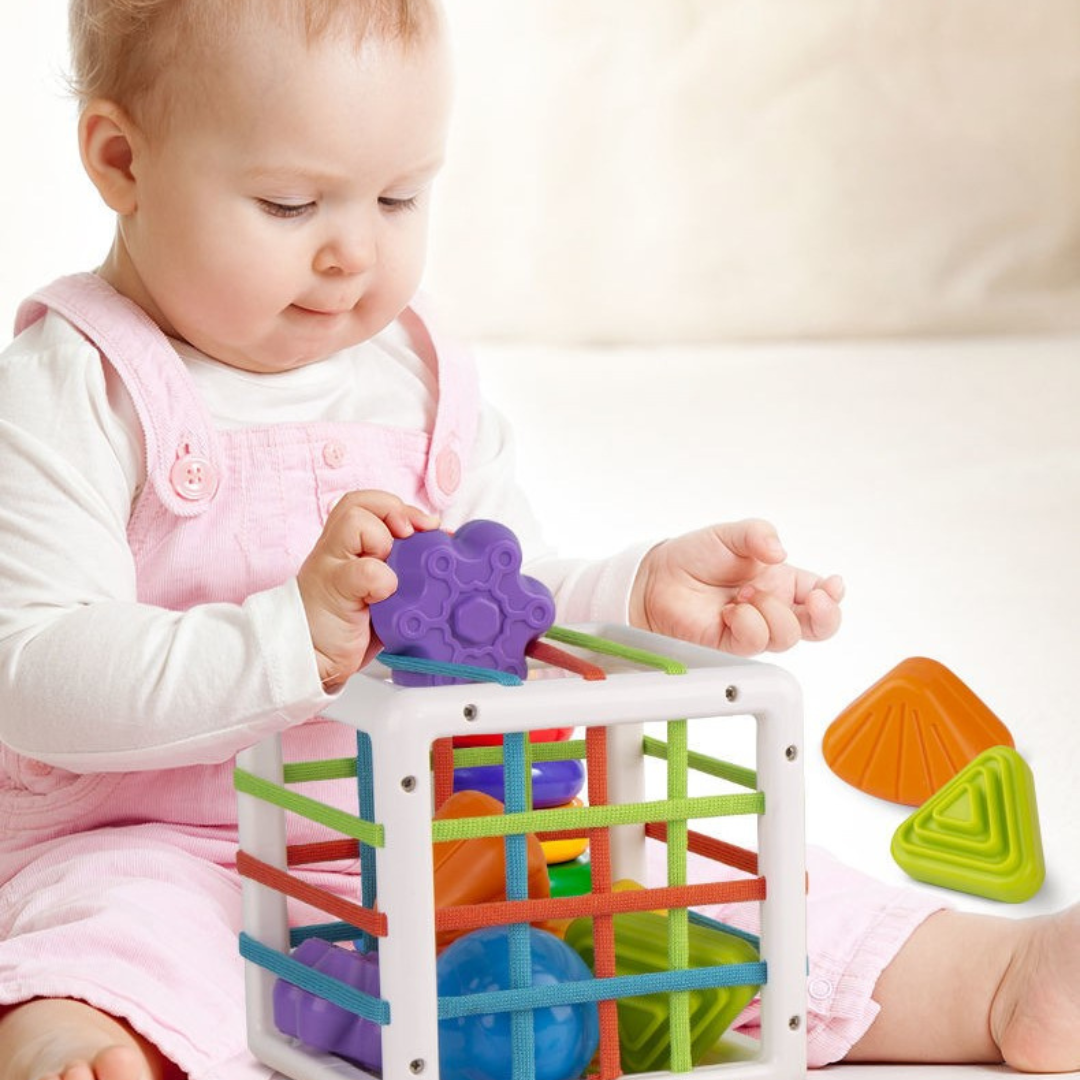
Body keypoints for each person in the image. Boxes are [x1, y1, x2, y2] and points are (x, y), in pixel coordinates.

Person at [0, 2, 1076, 1079]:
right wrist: (290, 637)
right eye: (290, 203)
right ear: (121, 159)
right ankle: (83, 1042)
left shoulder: (419, 388)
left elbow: (505, 613)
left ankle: (995, 980)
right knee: (118, 940)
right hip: (167, 843)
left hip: (443, 836)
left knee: (705, 883)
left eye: (397, 196)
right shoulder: (74, 392)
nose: (353, 251)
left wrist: (634, 591)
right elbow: (34, 678)